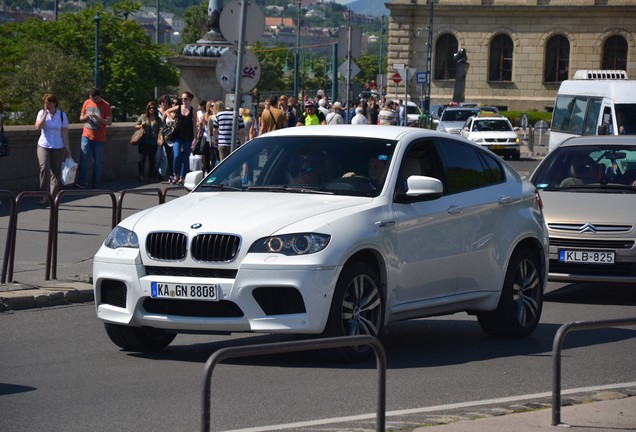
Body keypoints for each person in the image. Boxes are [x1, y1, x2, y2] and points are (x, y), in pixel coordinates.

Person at [34, 93, 71, 204]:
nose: (47, 105)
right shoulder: (41, 113)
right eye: (45, 103)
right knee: (44, 168)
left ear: (54, 103)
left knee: (55, 172)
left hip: (58, 146)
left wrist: (67, 147)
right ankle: (44, 195)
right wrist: (45, 114)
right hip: (44, 145)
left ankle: (53, 196)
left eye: (49, 103)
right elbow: (38, 127)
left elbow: (64, 132)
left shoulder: (62, 115)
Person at [77, 88, 112, 189]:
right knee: (83, 159)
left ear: (100, 96)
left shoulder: (106, 105)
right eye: (92, 99)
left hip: (99, 138)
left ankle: (95, 182)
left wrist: (98, 119)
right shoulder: (87, 102)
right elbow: (80, 118)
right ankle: (81, 181)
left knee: (97, 161)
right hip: (86, 135)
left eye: (96, 99)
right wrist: (86, 117)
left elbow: (109, 122)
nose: (94, 101)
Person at [165, 91, 196, 185]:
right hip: (177, 135)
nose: (183, 101)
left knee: (185, 157)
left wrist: (195, 138)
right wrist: (171, 119)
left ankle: (182, 177)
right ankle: (176, 175)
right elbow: (167, 111)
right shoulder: (178, 107)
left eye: (185, 99)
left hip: (188, 136)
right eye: (182, 99)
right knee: (177, 155)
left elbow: (195, 125)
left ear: (190, 99)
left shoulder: (193, 111)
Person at [134, 101, 162, 182]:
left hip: (153, 142)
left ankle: (150, 176)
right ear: (148, 109)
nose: (152, 110)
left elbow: (161, 129)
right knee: (141, 159)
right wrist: (141, 125)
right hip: (144, 141)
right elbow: (136, 125)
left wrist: (160, 138)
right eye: (150, 108)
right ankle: (141, 176)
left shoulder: (158, 119)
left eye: (153, 108)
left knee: (152, 160)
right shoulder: (144, 117)